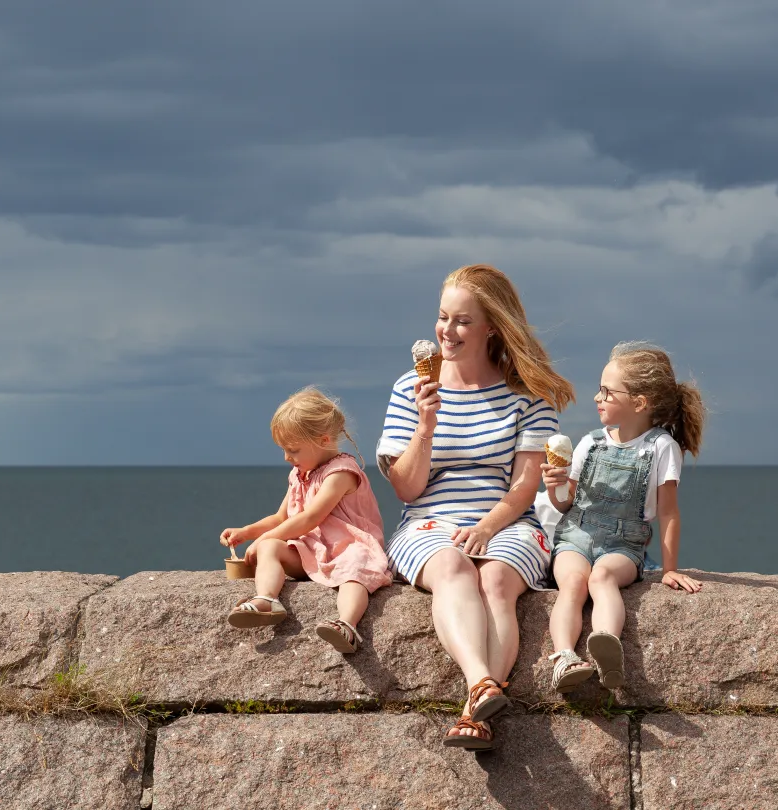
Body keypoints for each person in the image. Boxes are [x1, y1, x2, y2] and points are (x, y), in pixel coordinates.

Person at [378, 264, 574, 751]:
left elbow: (525, 487)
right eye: (443, 317)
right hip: (427, 521)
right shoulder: (410, 388)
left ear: (492, 327)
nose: (447, 330)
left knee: (495, 581)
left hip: (507, 520)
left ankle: (474, 714)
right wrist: (425, 425)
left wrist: (487, 527)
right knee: (451, 566)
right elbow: (405, 488)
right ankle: (481, 686)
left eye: (463, 321)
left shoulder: (529, 396)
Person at [541, 342, 706, 693]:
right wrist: (555, 486)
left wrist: (670, 569)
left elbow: (668, 512)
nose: (597, 398)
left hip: (624, 544)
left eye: (607, 391)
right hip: (575, 535)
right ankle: (565, 657)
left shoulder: (662, 448)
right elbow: (565, 504)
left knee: (602, 578)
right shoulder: (589, 444)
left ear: (639, 403)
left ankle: (606, 646)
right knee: (572, 583)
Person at [220, 387, 391, 653]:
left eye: (293, 450)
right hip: (314, 550)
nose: (287, 458)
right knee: (270, 548)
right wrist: (249, 532)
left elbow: (311, 517)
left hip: (348, 548)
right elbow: (281, 517)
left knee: (355, 572)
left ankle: (347, 624)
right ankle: (267, 599)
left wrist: (266, 536)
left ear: (323, 440)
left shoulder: (341, 473)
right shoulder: (300, 474)